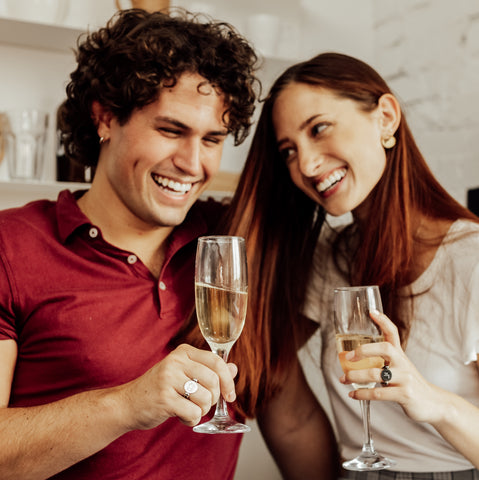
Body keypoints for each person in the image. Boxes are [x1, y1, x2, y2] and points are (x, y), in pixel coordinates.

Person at [0, 8, 339, 480]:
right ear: (105, 117)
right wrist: (126, 404)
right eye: (171, 130)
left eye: (213, 138)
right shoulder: (10, 245)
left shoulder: (234, 244)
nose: (192, 163)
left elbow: (296, 420)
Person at [225, 51, 479, 478]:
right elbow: (280, 391)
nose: (305, 165)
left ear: (385, 117)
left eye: (319, 129)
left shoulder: (470, 260)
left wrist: (429, 399)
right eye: (288, 151)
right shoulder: (331, 258)